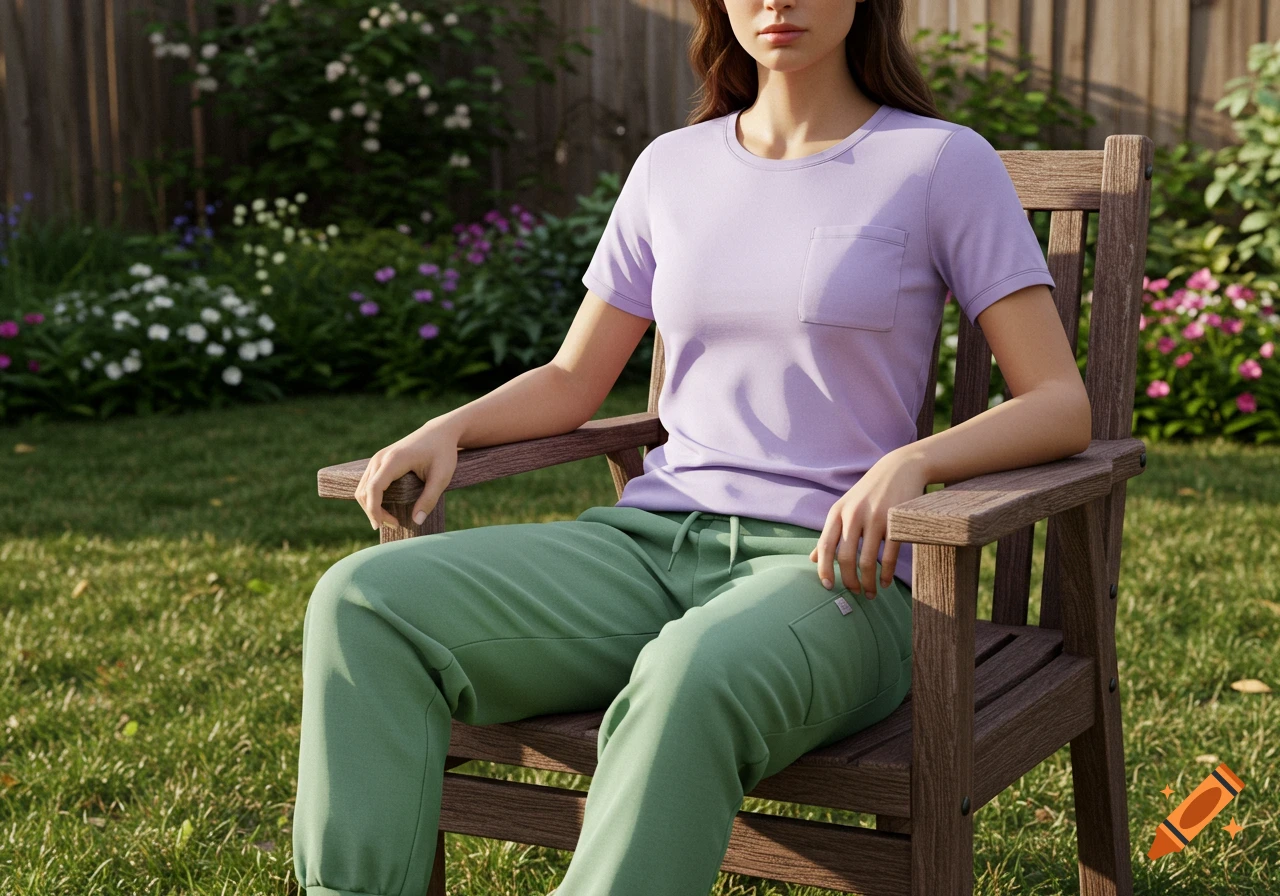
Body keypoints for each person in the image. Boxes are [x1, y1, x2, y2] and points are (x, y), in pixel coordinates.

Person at [291, 0, 1092, 893]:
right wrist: (449, 428)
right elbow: (573, 378)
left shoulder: (939, 161)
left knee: (689, 671)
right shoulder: (671, 168)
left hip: (836, 575)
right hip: (648, 551)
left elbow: (1060, 405)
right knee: (365, 602)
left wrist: (913, 462)